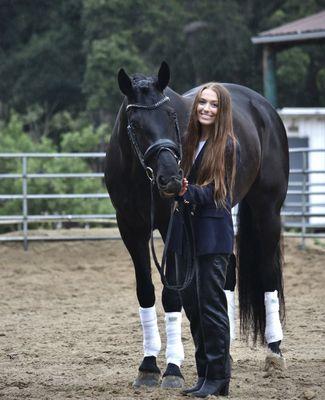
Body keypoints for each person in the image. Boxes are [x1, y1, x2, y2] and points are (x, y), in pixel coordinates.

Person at [171, 82, 237, 398]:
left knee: (211, 308)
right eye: (202, 103)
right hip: (189, 235)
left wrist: (186, 192)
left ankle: (219, 379)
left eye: (213, 105)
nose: (206, 109)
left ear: (221, 111)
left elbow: (217, 193)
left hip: (213, 237)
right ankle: (204, 376)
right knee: (194, 308)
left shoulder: (226, 145)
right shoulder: (191, 142)